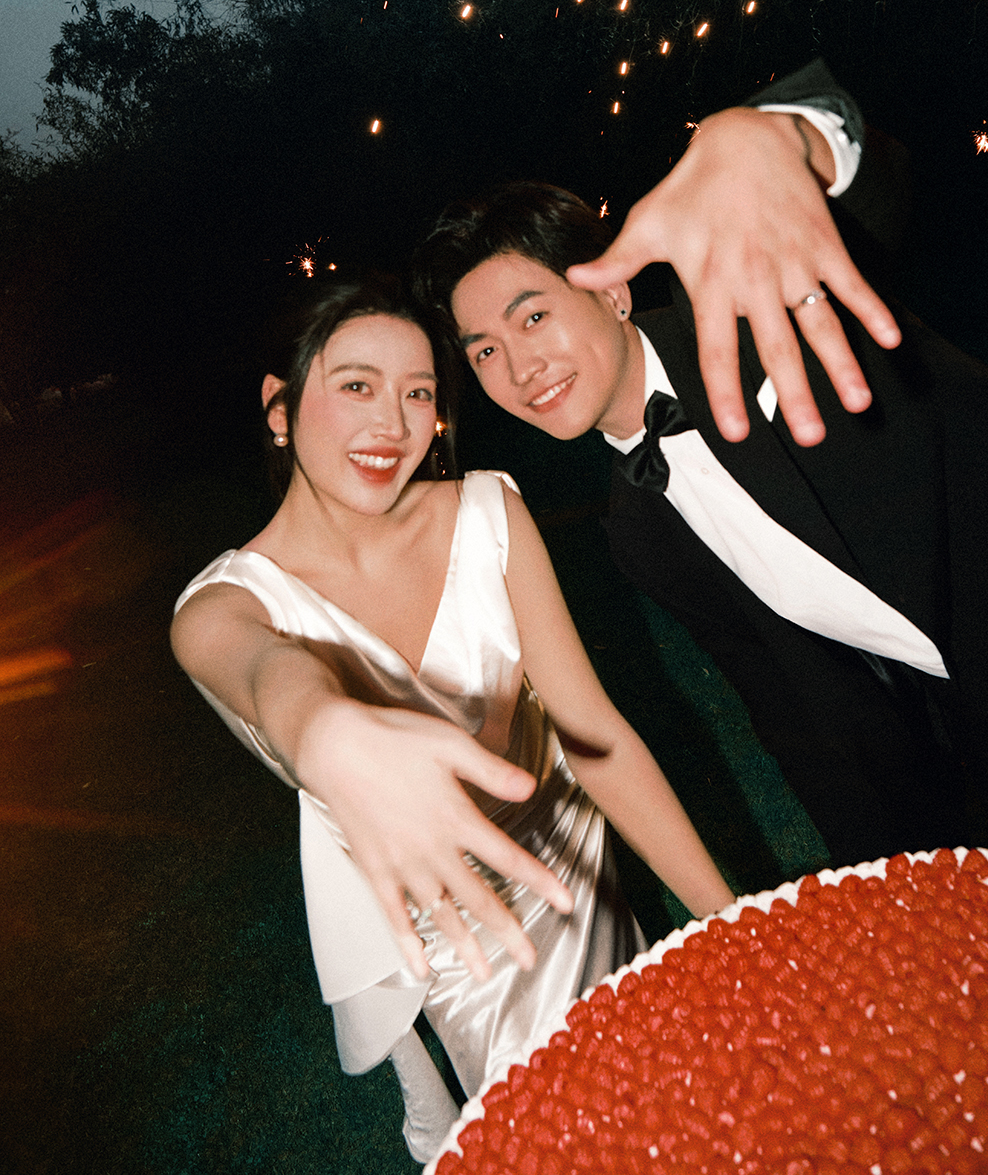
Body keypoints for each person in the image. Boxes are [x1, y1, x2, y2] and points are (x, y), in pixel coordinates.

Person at [418, 67, 988, 871]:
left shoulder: (744, 308)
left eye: (533, 316)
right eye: (485, 352)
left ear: (613, 294)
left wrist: (787, 133)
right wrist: (878, 878)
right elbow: (801, 712)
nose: (519, 367)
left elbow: (871, 192)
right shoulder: (639, 533)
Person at [171, 275, 732, 1163]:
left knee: (691, 1108)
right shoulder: (220, 610)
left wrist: (729, 924)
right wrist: (321, 728)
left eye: (417, 393)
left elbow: (595, 735)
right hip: (462, 955)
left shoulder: (487, 513)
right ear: (279, 408)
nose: (391, 425)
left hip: (581, 887)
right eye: (356, 385)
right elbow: (265, 672)